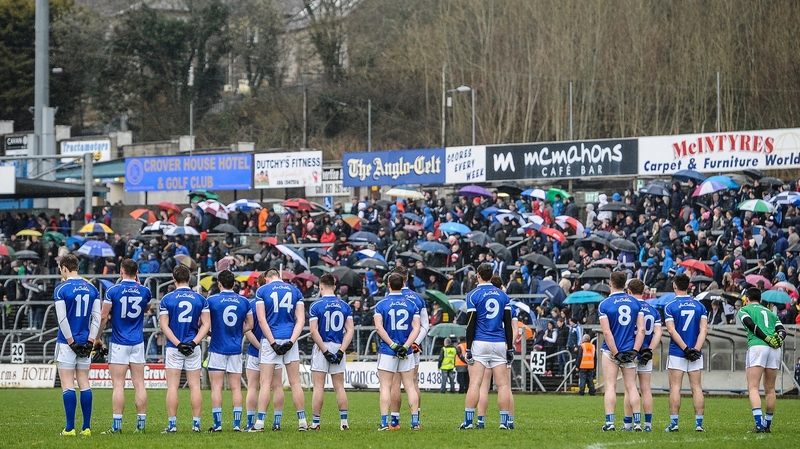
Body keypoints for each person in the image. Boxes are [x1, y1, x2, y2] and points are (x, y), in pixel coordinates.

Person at [97, 259, 153, 434]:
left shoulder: (113, 290)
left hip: (119, 342)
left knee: (119, 385)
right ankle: (141, 426)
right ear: (137, 272)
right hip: (137, 342)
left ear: (121, 271)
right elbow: (147, 307)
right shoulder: (145, 291)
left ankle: (117, 426)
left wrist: (97, 337)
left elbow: (104, 316)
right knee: (140, 384)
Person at [459, 263, 514, 430]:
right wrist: (509, 347)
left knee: (475, 383)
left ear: (478, 275)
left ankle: (468, 422)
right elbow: (508, 324)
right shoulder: (503, 295)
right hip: (498, 342)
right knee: (503, 385)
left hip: (480, 342)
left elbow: (470, 324)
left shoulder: (473, 295)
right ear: (492, 275)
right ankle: (504, 422)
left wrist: (468, 349)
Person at [251, 269, 307, 432]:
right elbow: (301, 320)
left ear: (267, 278)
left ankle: (260, 423)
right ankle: (302, 422)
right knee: (295, 382)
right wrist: (291, 341)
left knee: (265, 383)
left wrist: (273, 342)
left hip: (271, 339)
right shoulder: (295, 291)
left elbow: (262, 320)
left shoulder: (262, 290)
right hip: (290, 337)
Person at [159, 265, 211, 433]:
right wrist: (194, 342)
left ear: (174, 279)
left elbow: (163, 325)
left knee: (172, 387)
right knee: (195, 386)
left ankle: (172, 425)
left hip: (175, 347)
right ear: (190, 278)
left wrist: (178, 343)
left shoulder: (167, 299)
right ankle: (196, 425)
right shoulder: (200, 299)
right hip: (192, 346)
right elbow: (206, 324)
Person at [54, 254, 102, 436]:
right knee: (84, 382)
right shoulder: (92, 288)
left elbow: (62, 318)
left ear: (64, 268)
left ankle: (69, 428)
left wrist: (71, 342)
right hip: (86, 341)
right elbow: (96, 318)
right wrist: (90, 341)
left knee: (67, 384)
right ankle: (87, 428)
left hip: (68, 343)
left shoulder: (61, 289)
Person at [206, 270, 253, 432]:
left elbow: (203, 322)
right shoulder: (244, 301)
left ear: (219, 283)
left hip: (217, 347)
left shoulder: (211, 300)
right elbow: (251, 324)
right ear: (234, 284)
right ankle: (237, 425)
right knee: (235, 387)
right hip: (235, 348)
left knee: (217, 387)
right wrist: (238, 333)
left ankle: (218, 425)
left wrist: (212, 332)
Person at [599, 271, 645, 432]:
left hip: (611, 351)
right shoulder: (635, 303)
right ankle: (638, 423)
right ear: (625, 285)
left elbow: (607, 333)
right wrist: (635, 350)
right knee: (632, 387)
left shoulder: (604, 304)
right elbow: (641, 330)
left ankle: (610, 423)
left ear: (610, 284)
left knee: (610, 386)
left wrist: (615, 351)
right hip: (629, 350)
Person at [374, 272, 421, 430]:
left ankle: (384, 422)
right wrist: (406, 345)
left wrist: (393, 345)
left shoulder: (381, 304)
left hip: (388, 350)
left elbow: (379, 327)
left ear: (388, 285)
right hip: (406, 351)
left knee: (385, 386)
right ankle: (415, 422)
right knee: (410, 386)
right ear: (403, 285)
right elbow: (417, 328)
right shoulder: (411, 305)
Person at [308, 273, 354, 431]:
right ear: (334, 287)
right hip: (338, 344)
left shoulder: (316, 305)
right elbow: (350, 330)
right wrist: (341, 351)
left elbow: (314, 331)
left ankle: (315, 423)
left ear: (321, 287)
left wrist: (325, 351)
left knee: (318, 386)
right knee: (339, 386)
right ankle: (344, 422)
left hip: (322, 347)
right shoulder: (345, 306)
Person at [738, 287, 786, 433]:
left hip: (757, 347)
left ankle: (759, 425)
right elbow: (782, 331)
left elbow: (751, 325)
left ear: (747, 298)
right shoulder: (771, 313)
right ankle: (767, 425)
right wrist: (778, 339)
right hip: (774, 349)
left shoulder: (744, 310)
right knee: (770, 389)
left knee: (753, 387)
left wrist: (766, 338)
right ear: (760, 299)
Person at [663, 273, 708, 432]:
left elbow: (671, 330)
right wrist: (695, 349)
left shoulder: (669, 306)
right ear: (688, 286)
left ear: (674, 286)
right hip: (695, 351)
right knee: (697, 387)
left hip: (677, 352)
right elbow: (704, 330)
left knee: (675, 387)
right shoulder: (700, 306)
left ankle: (674, 424)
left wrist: (685, 349)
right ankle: (699, 425)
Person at [387, 266, 429, 430]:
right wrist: (415, 342)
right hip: (412, 345)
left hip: (394, 346)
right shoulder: (417, 299)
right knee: (413, 382)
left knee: (395, 383)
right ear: (406, 278)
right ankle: (415, 420)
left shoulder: (389, 298)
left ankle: (395, 421)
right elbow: (425, 325)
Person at [243, 274, 286, 432]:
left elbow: (247, 330)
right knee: (277, 386)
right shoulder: (275, 303)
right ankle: (276, 422)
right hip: (274, 349)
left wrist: (260, 347)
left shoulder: (251, 304)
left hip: (256, 350)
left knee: (253, 387)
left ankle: (250, 422)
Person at [628, 278, 661, 432]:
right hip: (646, 351)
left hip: (631, 350)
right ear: (643, 292)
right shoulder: (653, 309)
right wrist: (650, 350)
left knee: (630, 388)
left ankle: (629, 423)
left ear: (629, 291)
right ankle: (648, 424)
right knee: (646, 389)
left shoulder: (630, 307)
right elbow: (658, 333)